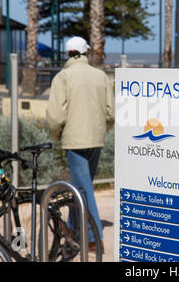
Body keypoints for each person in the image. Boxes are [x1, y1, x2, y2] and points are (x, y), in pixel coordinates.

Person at [46, 36, 114, 254]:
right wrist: (102, 129)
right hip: (96, 139)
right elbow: (110, 113)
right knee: (82, 187)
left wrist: (57, 136)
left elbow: (55, 116)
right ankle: (73, 228)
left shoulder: (62, 77)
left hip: (75, 140)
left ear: (68, 54)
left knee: (82, 190)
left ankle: (94, 239)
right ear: (86, 53)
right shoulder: (100, 76)